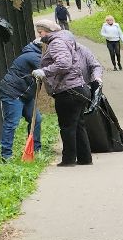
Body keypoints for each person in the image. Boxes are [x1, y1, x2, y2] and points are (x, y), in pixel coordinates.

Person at [33, 16, 102, 168]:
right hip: (79, 88)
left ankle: (69, 159)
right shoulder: (65, 40)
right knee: (78, 125)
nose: (39, 36)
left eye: (40, 32)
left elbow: (63, 64)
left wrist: (44, 71)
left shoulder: (57, 42)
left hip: (68, 90)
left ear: (48, 32)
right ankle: (85, 158)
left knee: (67, 126)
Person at [0, 35, 45, 159]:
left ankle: (35, 149)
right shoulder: (33, 56)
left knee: (36, 120)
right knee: (12, 123)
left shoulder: (36, 53)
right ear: (43, 46)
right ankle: (6, 155)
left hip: (25, 94)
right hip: (13, 92)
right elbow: (49, 72)